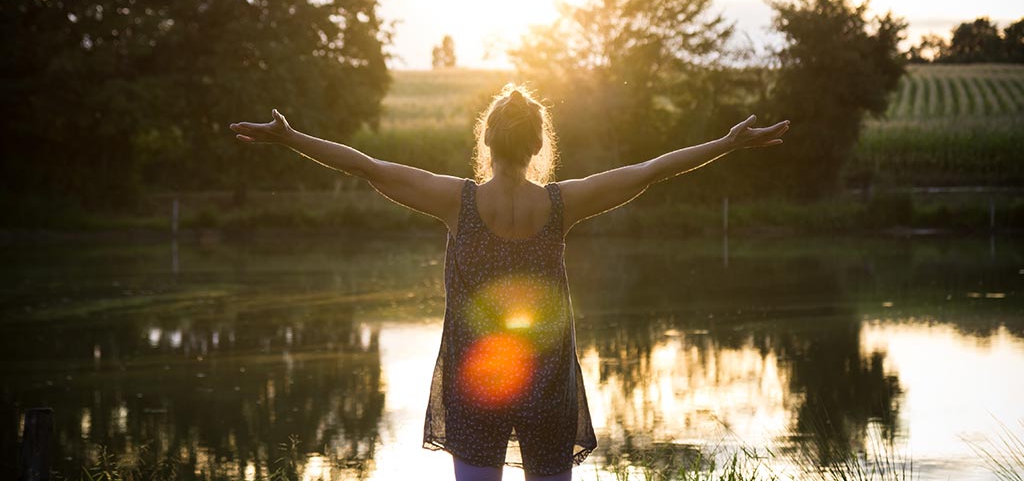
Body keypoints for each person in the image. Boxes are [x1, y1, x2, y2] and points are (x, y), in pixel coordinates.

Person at [230, 84, 789, 481]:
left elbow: (368, 167)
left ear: (488, 142)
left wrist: (290, 138)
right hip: (548, 384)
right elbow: (650, 172)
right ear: (538, 145)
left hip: (477, 382)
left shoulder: (458, 200)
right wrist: (727, 143)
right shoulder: (561, 203)